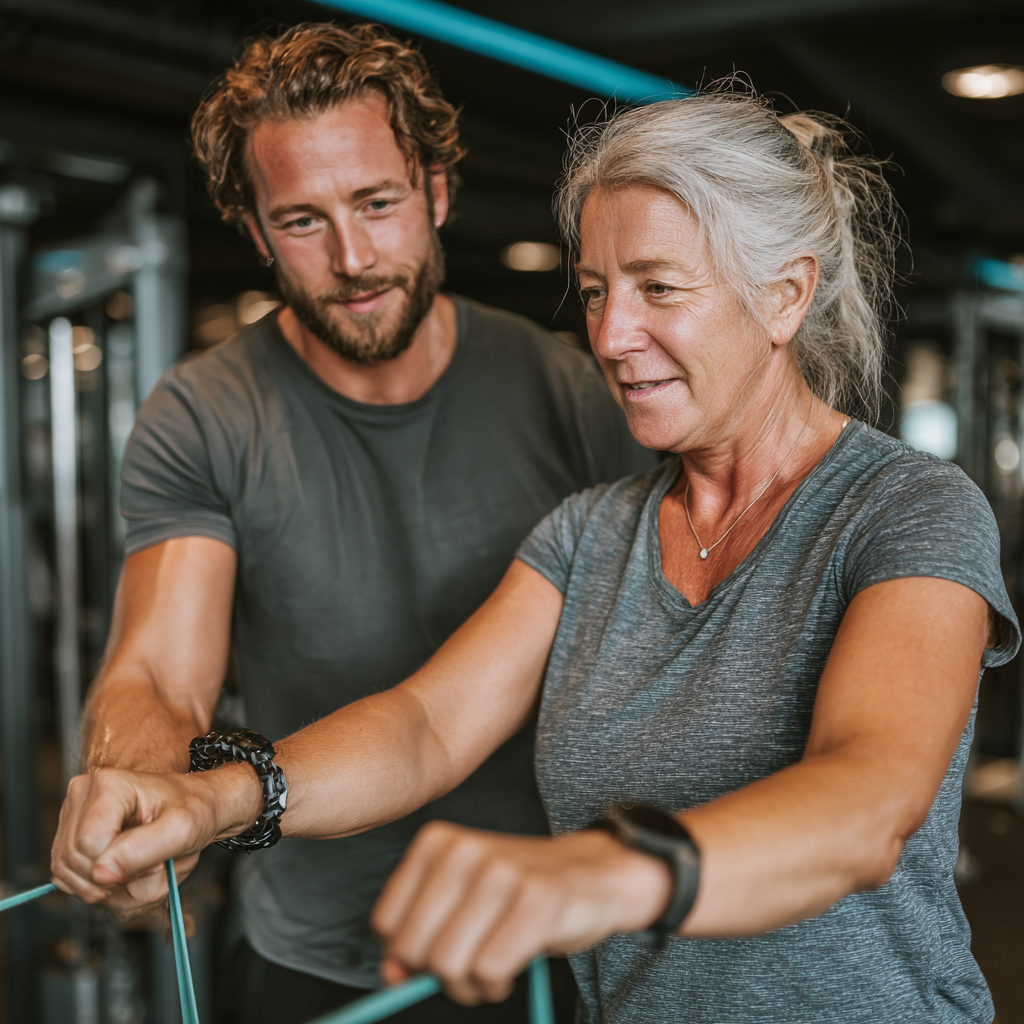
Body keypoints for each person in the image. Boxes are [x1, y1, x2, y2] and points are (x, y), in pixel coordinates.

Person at [53, 91, 1018, 1024]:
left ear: (785, 295)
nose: (609, 335)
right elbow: (425, 725)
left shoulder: (907, 510)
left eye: (658, 289)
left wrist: (601, 871)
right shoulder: (590, 531)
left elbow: (868, 802)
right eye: (596, 291)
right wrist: (213, 796)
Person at [57, 21, 655, 1024]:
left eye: (377, 203)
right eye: (301, 220)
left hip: (540, 939)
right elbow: (159, 673)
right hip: (311, 951)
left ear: (436, 189)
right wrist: (139, 789)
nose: (352, 256)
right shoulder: (204, 412)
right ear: (253, 231)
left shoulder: (573, 390)